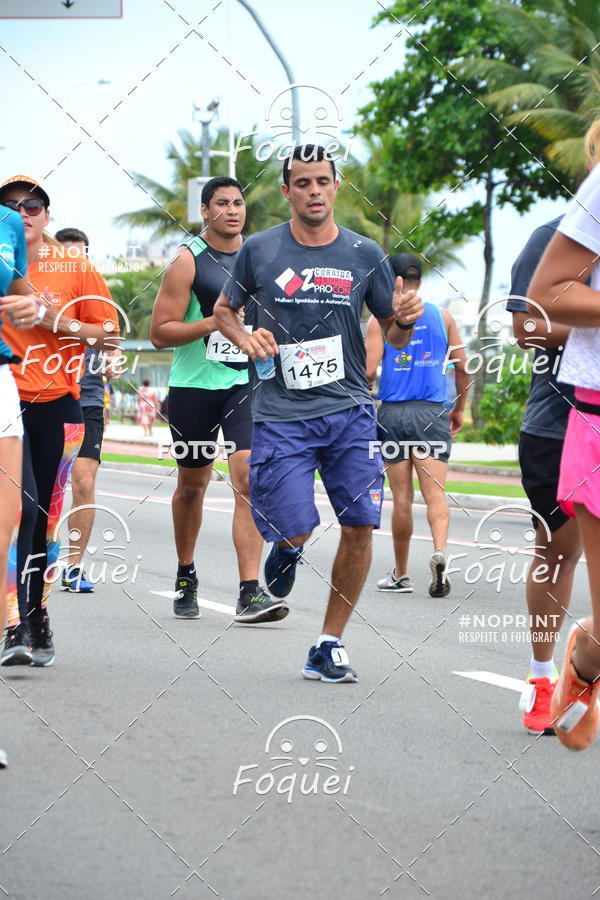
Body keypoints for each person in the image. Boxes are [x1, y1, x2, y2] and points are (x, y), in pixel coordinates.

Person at [214, 145, 424, 683]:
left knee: (359, 525)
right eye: (301, 183)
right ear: (286, 191)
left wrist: (401, 318)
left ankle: (328, 644)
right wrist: (245, 335)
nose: (313, 191)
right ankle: (286, 547)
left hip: (350, 408)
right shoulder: (259, 250)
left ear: (336, 187)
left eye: (321, 182)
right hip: (282, 412)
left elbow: (394, 335)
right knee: (293, 522)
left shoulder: (364, 253)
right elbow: (223, 311)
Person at [151, 176, 281, 623]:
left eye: (238, 203)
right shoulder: (187, 261)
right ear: (205, 211)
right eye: (221, 203)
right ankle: (186, 572)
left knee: (247, 475)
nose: (232, 210)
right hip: (194, 387)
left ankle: (250, 590)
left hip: (246, 383)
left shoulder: (263, 257)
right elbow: (158, 333)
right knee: (193, 485)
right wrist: (216, 322)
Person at [0, 175, 118, 667]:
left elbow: (109, 331)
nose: (23, 213)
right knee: (16, 512)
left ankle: (38, 613)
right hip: (9, 400)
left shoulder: (72, 264)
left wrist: (59, 322)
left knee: (46, 517)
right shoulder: (2, 263)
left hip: (59, 401)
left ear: (47, 215)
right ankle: (13, 625)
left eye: (34, 205)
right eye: (11, 206)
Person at [529, 118, 600, 750]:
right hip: (581, 415)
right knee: (558, 554)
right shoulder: (591, 201)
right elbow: (540, 304)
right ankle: (577, 659)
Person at [506, 220, 582, 735]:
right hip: (559, 425)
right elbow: (525, 329)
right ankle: (541, 677)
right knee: (559, 552)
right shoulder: (553, 237)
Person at [366, 253, 468, 598]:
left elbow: (367, 372)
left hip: (393, 414)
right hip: (433, 413)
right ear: (420, 283)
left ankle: (400, 573)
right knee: (435, 494)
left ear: (388, 279)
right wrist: (459, 410)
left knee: (403, 498)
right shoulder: (444, 317)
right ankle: (439, 551)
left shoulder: (380, 320)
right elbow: (463, 368)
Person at [0, 201, 40, 766]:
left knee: (5, 527)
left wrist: (29, 305)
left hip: (0, 378)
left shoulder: (8, 225)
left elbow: (22, 294)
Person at [54, 227, 115, 594]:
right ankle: (38, 555)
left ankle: (74, 566)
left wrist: (115, 360)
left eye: (81, 254)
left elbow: (113, 338)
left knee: (84, 482)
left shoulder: (95, 295)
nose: (75, 261)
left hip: (87, 399)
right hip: (44, 398)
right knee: (44, 488)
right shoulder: (40, 293)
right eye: (67, 254)